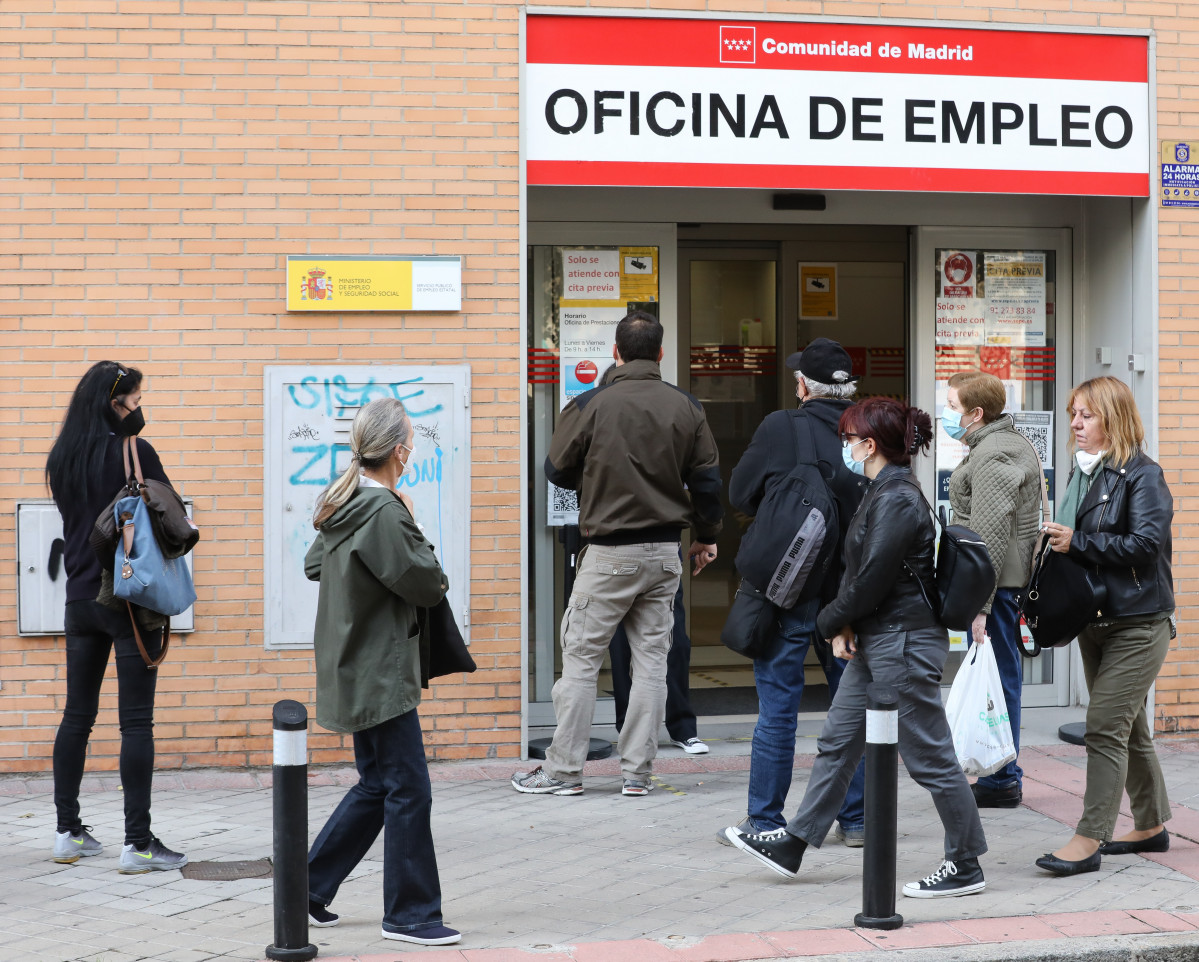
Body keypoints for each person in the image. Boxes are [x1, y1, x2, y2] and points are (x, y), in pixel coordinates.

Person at [727, 397, 989, 899]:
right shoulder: (882, 489)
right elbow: (862, 574)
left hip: (904, 643)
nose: (843, 445)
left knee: (931, 758)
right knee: (837, 742)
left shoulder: (897, 498)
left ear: (870, 446)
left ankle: (965, 862)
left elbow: (871, 579)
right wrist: (846, 627)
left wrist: (829, 621)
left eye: (849, 438)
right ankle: (796, 843)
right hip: (879, 640)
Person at [512, 310, 723, 797]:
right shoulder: (687, 407)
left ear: (615, 352)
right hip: (665, 553)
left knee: (583, 659)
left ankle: (563, 772)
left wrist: (598, 476)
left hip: (608, 552)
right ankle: (637, 774)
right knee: (652, 664)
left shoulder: (589, 404)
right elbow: (708, 481)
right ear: (661, 354)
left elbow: (555, 469)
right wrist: (707, 534)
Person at [304, 398, 461, 945]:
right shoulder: (384, 510)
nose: (412, 451)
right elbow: (428, 582)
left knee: (379, 784)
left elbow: (315, 563)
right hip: (380, 669)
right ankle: (411, 914)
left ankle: (305, 887)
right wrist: (410, 518)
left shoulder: (342, 504)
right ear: (399, 451)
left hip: (354, 661)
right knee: (408, 788)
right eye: (411, 443)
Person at [719, 339, 868, 848]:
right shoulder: (870, 431)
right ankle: (857, 820)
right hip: (849, 599)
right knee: (850, 709)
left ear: (804, 385)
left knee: (777, 707)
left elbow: (739, 492)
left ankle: (764, 822)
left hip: (788, 591)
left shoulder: (782, 426)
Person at [46, 361, 188, 873]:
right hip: (128, 599)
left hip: (80, 599)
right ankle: (138, 844)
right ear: (115, 402)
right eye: (135, 398)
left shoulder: (62, 458)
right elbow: (175, 516)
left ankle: (68, 833)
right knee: (135, 723)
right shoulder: (136, 452)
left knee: (76, 717)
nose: (139, 407)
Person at [1035, 376, 1174, 877]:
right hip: (1094, 620)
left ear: (1113, 418)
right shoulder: (1082, 475)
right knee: (1129, 727)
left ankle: (1090, 835)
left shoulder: (1143, 476)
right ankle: (1153, 825)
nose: (1075, 423)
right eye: (1073, 413)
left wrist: (1078, 543)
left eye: (1087, 415)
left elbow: (1144, 546)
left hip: (1138, 623)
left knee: (1103, 728)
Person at [943, 370, 1043, 808]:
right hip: (1000, 586)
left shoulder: (994, 454)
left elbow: (989, 534)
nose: (948, 414)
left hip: (998, 588)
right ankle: (1000, 774)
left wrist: (979, 605)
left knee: (998, 682)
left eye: (952, 406)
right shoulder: (998, 444)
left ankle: (1002, 779)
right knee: (999, 679)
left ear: (976, 413)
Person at [608, 580, 708, 754]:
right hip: (620, 565)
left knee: (676, 646)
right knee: (620, 648)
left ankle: (683, 729)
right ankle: (629, 731)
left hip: (664, 565)